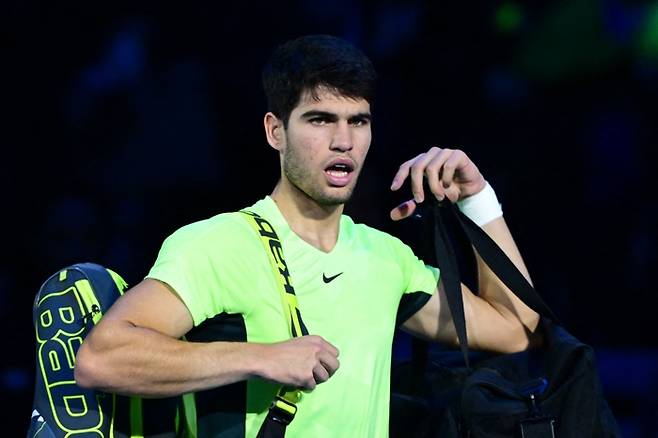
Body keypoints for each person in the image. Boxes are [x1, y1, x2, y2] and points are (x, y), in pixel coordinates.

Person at [75, 34, 540, 437]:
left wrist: (477, 199)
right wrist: (259, 357)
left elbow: (517, 329)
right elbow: (102, 359)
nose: (344, 141)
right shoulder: (220, 242)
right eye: (320, 120)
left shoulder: (385, 258)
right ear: (275, 131)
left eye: (358, 121)